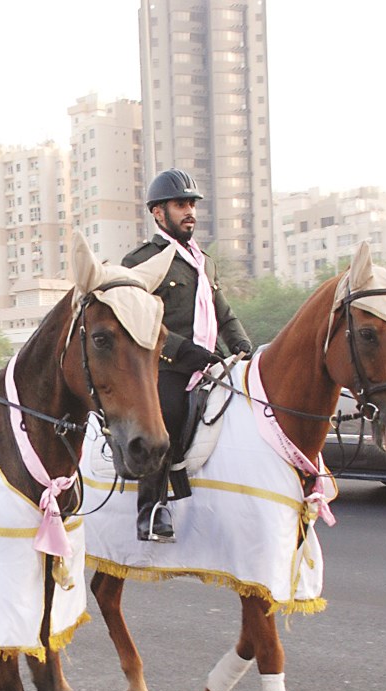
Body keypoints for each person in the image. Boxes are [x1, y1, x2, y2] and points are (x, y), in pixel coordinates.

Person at [122, 168, 253, 542]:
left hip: (211, 363)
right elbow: (141, 320)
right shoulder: (142, 261)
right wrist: (185, 353)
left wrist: (242, 348)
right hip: (167, 367)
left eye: (192, 204)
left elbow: (223, 311)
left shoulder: (202, 261)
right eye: (181, 205)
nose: (189, 212)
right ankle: (151, 511)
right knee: (163, 422)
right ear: (158, 213)